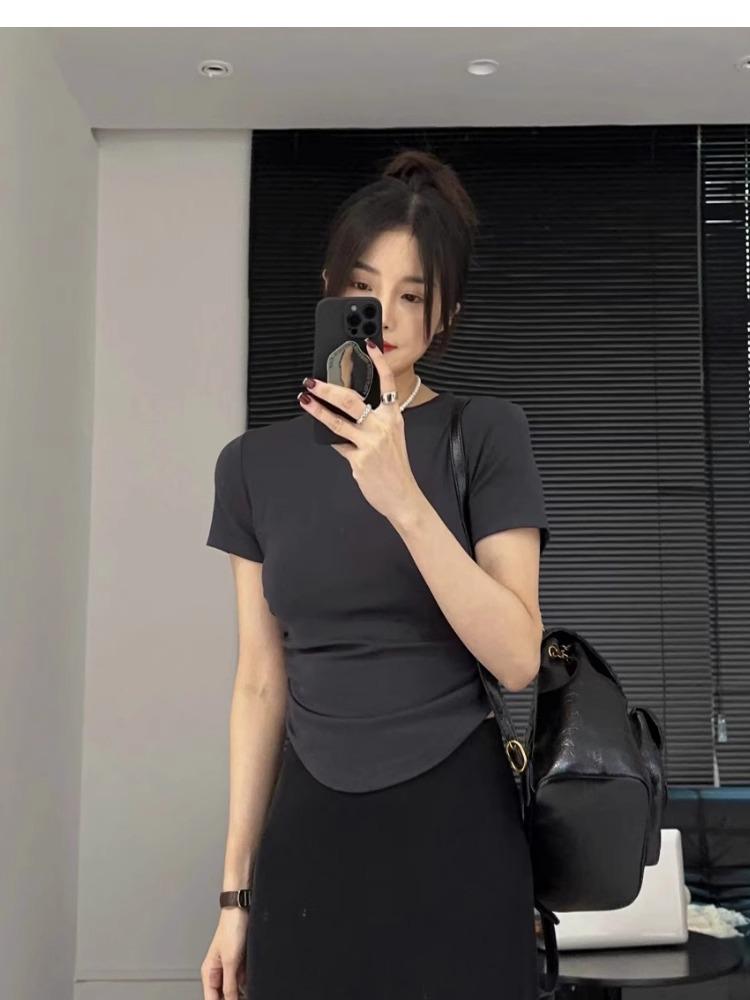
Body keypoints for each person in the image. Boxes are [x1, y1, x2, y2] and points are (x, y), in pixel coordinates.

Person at [200, 148, 551, 1000]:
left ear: (445, 314)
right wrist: (234, 898)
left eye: (413, 296)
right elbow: (259, 682)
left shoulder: (486, 433)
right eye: (365, 288)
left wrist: (403, 498)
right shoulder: (252, 465)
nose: (385, 317)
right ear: (330, 291)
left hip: (455, 822)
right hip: (312, 829)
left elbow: (517, 658)